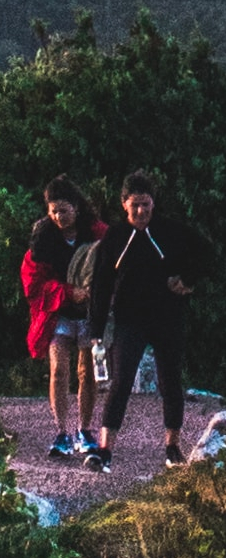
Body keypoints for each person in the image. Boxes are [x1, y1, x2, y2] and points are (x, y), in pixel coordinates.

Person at [90, 172, 211, 470]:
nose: (141, 212)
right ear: (123, 205)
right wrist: (96, 331)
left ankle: (172, 447)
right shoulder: (115, 237)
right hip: (130, 319)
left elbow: (208, 253)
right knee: (121, 383)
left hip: (167, 316)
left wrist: (188, 280)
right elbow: (101, 284)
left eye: (146, 205)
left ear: (154, 203)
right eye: (135, 206)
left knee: (170, 381)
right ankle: (104, 451)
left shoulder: (170, 231)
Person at [20, 175, 105, 460]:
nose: (59, 216)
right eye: (54, 210)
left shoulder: (95, 232)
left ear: (76, 208)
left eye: (64, 210)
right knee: (58, 370)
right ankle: (61, 432)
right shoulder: (43, 239)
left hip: (88, 315)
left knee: (87, 372)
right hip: (58, 315)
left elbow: (115, 261)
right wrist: (69, 292)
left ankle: (85, 430)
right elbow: (32, 283)